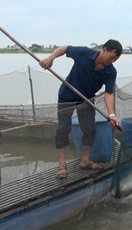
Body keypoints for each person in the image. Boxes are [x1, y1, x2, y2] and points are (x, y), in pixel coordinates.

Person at [39, 40, 123, 179]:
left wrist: (112, 114)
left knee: (89, 129)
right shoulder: (84, 53)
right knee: (63, 128)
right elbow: (65, 48)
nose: (113, 61)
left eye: (116, 59)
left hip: (87, 100)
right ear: (104, 50)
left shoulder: (110, 71)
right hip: (67, 96)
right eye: (112, 57)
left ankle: (86, 160)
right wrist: (50, 58)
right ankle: (62, 163)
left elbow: (109, 93)